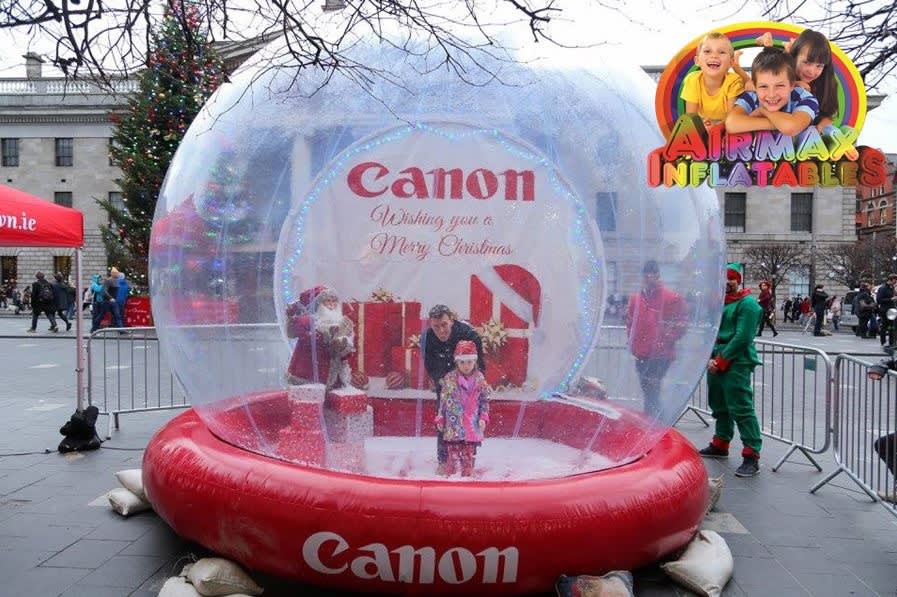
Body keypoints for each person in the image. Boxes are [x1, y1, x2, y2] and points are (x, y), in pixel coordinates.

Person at [698, 267, 763, 478]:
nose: (726, 282)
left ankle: (751, 454)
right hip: (717, 357)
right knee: (719, 404)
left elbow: (743, 337)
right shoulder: (721, 301)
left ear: (738, 281)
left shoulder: (748, 304)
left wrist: (720, 360)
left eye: (731, 279)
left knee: (741, 407)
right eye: (723, 278)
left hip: (737, 361)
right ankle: (721, 442)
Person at [423, 304, 486, 476]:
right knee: (444, 418)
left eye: (444, 325)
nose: (441, 330)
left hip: (469, 379)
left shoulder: (468, 334)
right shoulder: (428, 337)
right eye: (436, 327)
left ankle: (469, 460)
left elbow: (480, 363)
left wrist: (478, 383)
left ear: (452, 320)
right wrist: (442, 382)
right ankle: (444, 460)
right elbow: (430, 365)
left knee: (470, 418)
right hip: (446, 380)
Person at [625, 260, 688, 418]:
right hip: (642, 352)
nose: (649, 277)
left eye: (652, 274)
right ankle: (653, 421)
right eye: (646, 274)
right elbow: (630, 322)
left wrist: (666, 338)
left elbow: (681, 323)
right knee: (648, 390)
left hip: (660, 354)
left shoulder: (671, 297)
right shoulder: (636, 299)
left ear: (658, 275)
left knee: (652, 389)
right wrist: (632, 340)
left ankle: (658, 420)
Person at [725, 47, 819, 137]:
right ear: (755, 86)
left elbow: (792, 127)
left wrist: (764, 111)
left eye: (779, 86)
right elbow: (731, 124)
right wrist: (780, 124)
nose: (771, 94)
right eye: (763, 86)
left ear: (791, 85)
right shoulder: (751, 97)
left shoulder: (805, 98)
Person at [434, 340, 491, 477]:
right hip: (454, 424)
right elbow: (443, 401)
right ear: (457, 362)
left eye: (469, 362)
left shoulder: (479, 379)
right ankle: (451, 476)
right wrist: (440, 417)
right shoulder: (450, 379)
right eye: (462, 362)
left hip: (471, 424)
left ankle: (467, 475)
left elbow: (484, 400)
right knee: (452, 456)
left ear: (475, 361)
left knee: (468, 455)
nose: (466, 366)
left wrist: (483, 417)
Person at [680, 32, 749, 126]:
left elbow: (732, 119)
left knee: (750, 85)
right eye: (707, 51)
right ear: (697, 61)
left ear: (730, 62)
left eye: (721, 52)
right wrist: (702, 125)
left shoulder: (733, 81)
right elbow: (691, 117)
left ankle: (736, 66)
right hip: (704, 120)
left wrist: (716, 126)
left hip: (726, 121)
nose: (714, 56)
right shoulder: (692, 80)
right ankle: (736, 65)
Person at [312, 287, 355, 390]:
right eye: (328, 301)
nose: (331, 304)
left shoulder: (340, 316)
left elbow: (349, 331)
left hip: (340, 348)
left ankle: (342, 343)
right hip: (326, 346)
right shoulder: (319, 316)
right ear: (322, 302)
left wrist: (347, 331)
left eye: (334, 301)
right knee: (330, 369)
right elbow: (319, 327)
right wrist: (330, 329)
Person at [877, 274, 897, 347]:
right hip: (885, 310)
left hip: (892, 310)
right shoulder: (883, 288)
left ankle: (892, 342)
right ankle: (883, 342)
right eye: (895, 280)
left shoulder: (892, 288)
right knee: (885, 326)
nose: (895, 282)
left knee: (892, 326)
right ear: (891, 279)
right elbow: (879, 300)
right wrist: (891, 299)